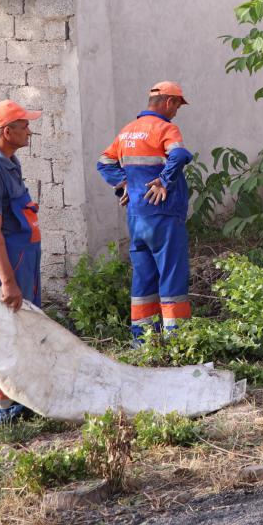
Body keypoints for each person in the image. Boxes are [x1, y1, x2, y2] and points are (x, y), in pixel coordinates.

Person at [97, 82, 194, 340]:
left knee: (143, 279)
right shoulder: (166, 128)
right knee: (172, 277)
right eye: (177, 105)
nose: (176, 112)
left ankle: (144, 340)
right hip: (164, 215)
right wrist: (164, 180)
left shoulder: (127, 131)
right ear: (169, 102)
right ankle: (177, 341)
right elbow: (180, 155)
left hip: (137, 218)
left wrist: (124, 184)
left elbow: (104, 162)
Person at [0, 100, 43, 425]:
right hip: (8, 263)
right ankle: (3, 410)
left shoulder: (10, 162)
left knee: (23, 329)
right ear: (6, 131)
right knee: (6, 333)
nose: (29, 130)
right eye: (24, 125)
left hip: (24, 258)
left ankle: (21, 397)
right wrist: (8, 281)